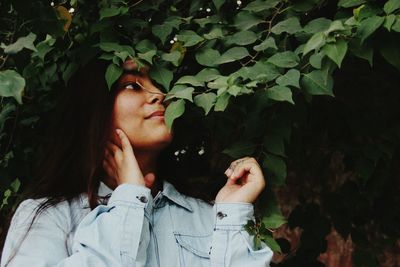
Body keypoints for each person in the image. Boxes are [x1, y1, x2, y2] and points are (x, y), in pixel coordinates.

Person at [0, 59, 273, 267]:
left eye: (159, 85)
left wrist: (233, 215)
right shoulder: (48, 218)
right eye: (131, 85)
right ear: (95, 108)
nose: (158, 95)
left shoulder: (209, 216)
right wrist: (128, 201)